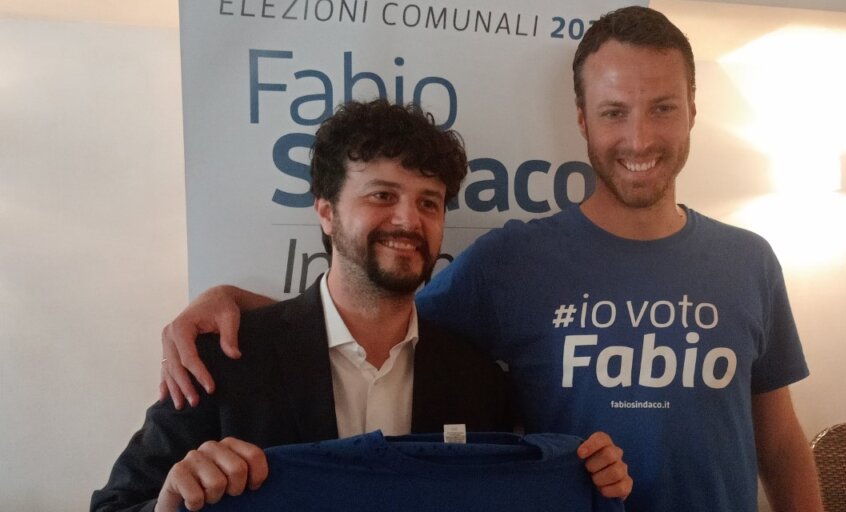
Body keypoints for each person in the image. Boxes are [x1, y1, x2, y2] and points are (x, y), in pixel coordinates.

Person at [158, 7, 823, 512]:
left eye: (663, 108)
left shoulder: (751, 261)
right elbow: (376, 319)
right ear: (583, 120)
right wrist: (237, 306)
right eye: (615, 112)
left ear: (693, 111)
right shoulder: (513, 260)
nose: (640, 137)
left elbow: (780, 441)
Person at [93, 100, 631, 512]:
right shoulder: (223, 361)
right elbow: (114, 505)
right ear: (326, 212)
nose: (408, 220)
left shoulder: (478, 381)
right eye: (382, 195)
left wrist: (588, 473)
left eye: (428, 202)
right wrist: (170, 502)